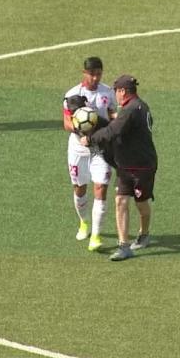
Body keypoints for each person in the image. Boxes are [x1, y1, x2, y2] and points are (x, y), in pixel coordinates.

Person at [81, 75, 156, 261]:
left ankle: (144, 234)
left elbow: (113, 131)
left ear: (123, 91)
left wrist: (90, 139)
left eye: (116, 91)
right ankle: (124, 246)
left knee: (141, 203)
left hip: (141, 167)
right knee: (121, 200)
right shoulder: (138, 106)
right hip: (126, 165)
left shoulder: (131, 109)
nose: (115, 94)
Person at [62, 57, 116, 252]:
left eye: (98, 74)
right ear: (84, 73)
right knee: (80, 188)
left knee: (101, 187)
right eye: (91, 74)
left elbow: (112, 115)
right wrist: (80, 132)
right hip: (78, 149)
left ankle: (96, 236)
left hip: (100, 149)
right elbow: (67, 123)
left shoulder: (108, 92)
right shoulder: (72, 95)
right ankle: (84, 222)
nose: (95, 78)